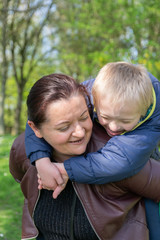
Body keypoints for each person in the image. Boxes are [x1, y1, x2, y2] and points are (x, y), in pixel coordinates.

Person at [10, 73, 160, 240]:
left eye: (83, 117)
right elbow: (22, 182)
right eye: (64, 127)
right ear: (35, 128)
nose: (80, 132)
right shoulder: (22, 150)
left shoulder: (117, 157)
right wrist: (42, 162)